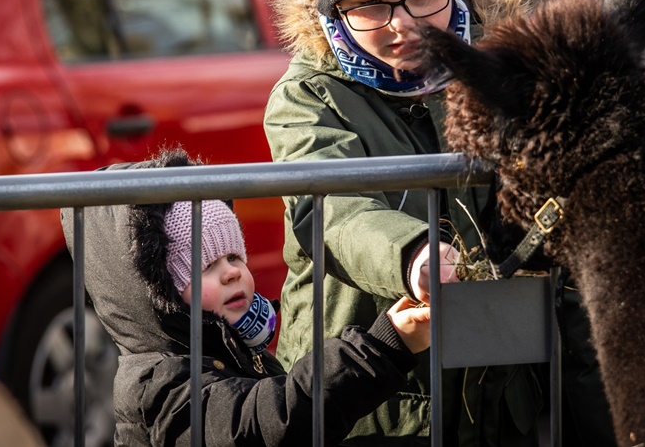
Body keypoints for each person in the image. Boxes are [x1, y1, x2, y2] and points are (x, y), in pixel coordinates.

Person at [264, 0, 616, 445]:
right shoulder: (307, 97)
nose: (404, 24)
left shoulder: (508, 71)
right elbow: (329, 208)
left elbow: (571, 260)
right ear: (331, 9)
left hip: (503, 405)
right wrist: (413, 254)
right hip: (373, 411)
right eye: (371, 4)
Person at [60, 146, 433, 447]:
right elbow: (265, 422)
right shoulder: (158, 385)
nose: (232, 271)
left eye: (234, 256)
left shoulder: (232, 347)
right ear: (154, 292)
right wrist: (379, 350)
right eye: (205, 266)